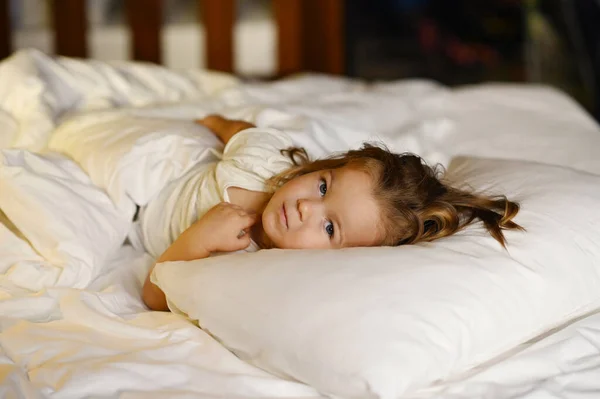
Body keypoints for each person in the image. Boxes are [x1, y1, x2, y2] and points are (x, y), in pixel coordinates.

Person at [142, 115, 522, 311]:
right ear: (320, 168)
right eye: (323, 186)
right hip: (163, 153)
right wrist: (209, 122)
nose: (307, 207)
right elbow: (241, 129)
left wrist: (197, 241)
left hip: (138, 205)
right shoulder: (265, 158)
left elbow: (153, 296)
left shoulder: (245, 264)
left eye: (329, 228)